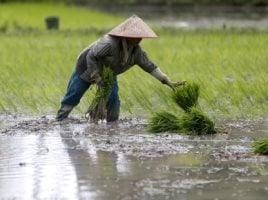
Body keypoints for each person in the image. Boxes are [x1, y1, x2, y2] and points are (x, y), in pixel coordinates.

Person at [56, 15, 185, 122]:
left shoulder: (136, 52)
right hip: (86, 67)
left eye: (140, 36)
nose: (139, 39)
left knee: (113, 99)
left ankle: (112, 125)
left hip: (108, 73)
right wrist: (95, 75)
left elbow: (150, 67)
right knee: (75, 93)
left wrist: (166, 81)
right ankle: (60, 119)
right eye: (135, 36)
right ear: (126, 35)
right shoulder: (109, 43)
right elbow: (91, 56)